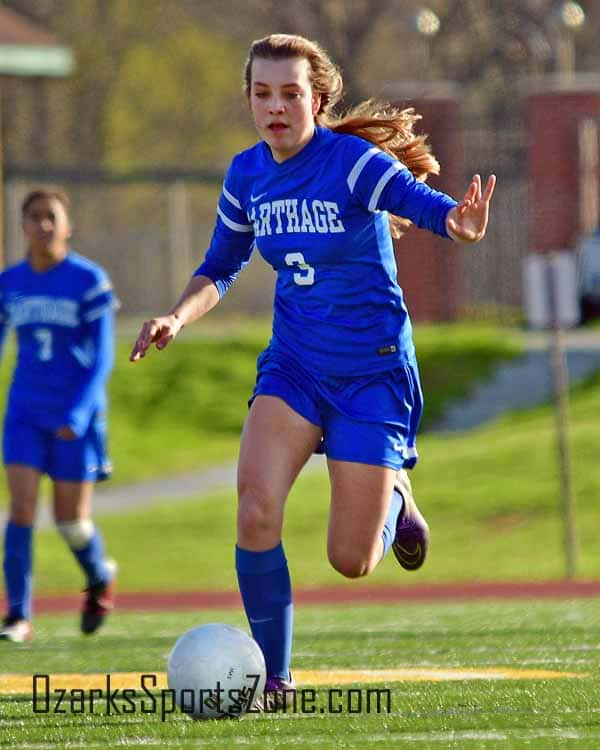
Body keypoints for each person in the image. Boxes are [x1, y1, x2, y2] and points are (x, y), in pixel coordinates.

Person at [130, 33, 495, 708]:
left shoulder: (353, 163)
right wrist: (176, 318)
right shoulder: (247, 174)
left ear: (317, 99)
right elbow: (220, 266)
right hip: (295, 367)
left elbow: (418, 202)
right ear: (248, 100)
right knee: (255, 507)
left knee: (350, 562)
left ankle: (395, 498)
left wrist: (458, 224)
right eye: (261, 94)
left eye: (290, 93)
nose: (275, 107)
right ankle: (276, 679)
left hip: (371, 373)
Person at [0, 189, 118, 643]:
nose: (43, 225)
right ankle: (18, 615)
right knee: (21, 510)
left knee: (70, 522)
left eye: (51, 217)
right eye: (34, 217)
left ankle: (99, 577)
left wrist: (81, 411)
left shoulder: (89, 281)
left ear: (67, 226)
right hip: (25, 413)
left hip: (76, 417)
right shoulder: (10, 282)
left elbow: (102, 357)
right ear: (23, 226)